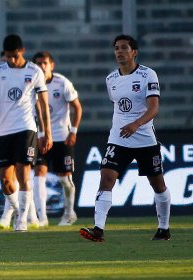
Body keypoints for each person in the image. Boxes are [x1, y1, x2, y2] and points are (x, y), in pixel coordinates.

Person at [79, 34, 171, 242]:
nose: (119, 52)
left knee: (157, 184)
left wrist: (136, 124)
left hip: (145, 138)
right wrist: (125, 125)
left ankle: (163, 228)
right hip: (119, 138)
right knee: (106, 177)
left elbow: (154, 107)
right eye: (116, 49)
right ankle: (98, 229)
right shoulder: (111, 79)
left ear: (134, 52)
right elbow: (118, 107)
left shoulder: (148, 74)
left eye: (124, 48)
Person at [0, 34, 52, 231]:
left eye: (14, 56)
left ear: (21, 51)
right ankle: (23, 212)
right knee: (5, 181)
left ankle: (21, 220)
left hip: (26, 127)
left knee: (23, 174)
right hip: (3, 130)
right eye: (8, 56)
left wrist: (47, 133)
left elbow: (43, 105)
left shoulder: (34, 71)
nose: (11, 60)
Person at [32, 51, 82, 227]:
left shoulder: (62, 82)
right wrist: (39, 135)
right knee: (39, 174)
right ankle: (42, 217)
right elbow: (32, 114)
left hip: (62, 137)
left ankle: (69, 213)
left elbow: (77, 107)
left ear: (51, 65)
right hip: (41, 138)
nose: (41, 66)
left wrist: (73, 131)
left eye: (44, 63)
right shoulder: (30, 85)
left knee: (64, 179)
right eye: (38, 63)